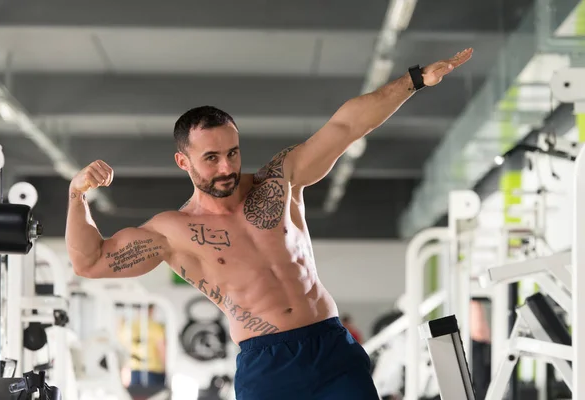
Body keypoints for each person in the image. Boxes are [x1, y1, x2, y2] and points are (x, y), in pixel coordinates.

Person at [65, 48, 473, 400]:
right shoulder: (172, 231)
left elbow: (347, 126)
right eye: (211, 158)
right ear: (183, 161)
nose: (226, 167)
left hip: (332, 345)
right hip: (268, 363)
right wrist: (76, 195)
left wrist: (415, 79)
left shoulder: (279, 182)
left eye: (233, 153)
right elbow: (91, 261)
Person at [118, 304, 167, 388]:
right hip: (153, 371)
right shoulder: (156, 327)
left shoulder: (127, 327)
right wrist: (166, 369)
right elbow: (162, 349)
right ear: (151, 310)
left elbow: (122, 350)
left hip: (133, 371)